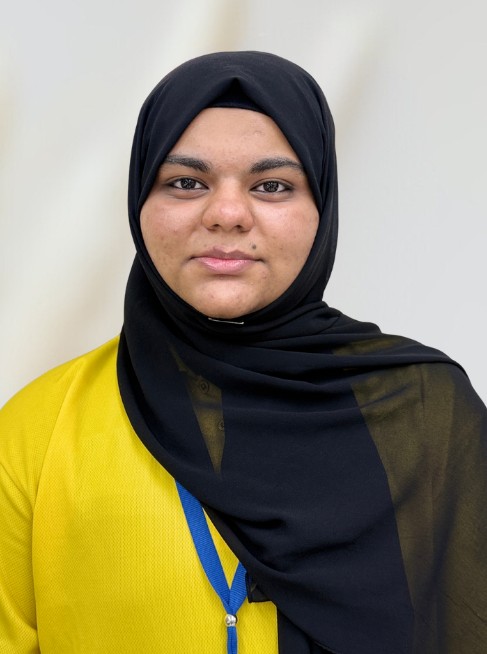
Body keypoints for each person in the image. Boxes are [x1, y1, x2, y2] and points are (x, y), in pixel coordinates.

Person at [0, 51, 486, 654]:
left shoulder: (422, 412)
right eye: (186, 183)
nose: (227, 214)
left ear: (322, 206)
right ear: (139, 201)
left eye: (272, 186)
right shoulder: (36, 432)